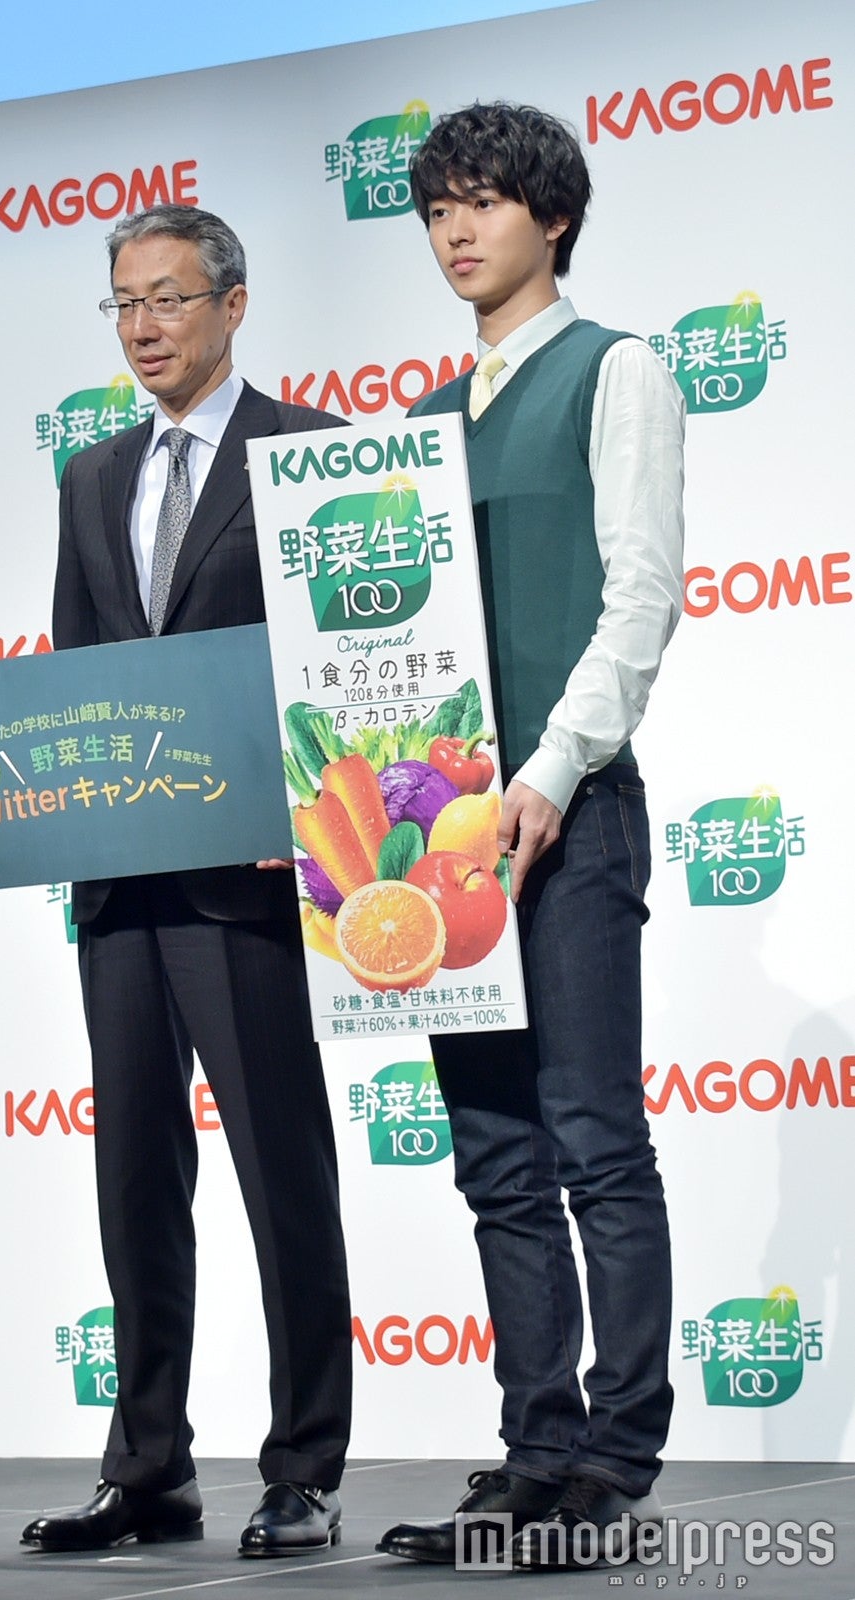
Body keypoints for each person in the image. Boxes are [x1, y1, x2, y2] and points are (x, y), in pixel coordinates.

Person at [0, 204, 351, 1557]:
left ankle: (304, 1466)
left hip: (246, 883)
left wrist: (313, 813)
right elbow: (75, 685)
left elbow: (348, 669)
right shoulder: (91, 477)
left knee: (281, 1174)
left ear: (232, 304)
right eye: (124, 305)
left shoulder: (311, 456)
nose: (144, 328)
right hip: (119, 889)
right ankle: (149, 1467)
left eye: (167, 299)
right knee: (134, 1180)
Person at [375, 103, 685, 1571]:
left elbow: (641, 596)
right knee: (495, 1156)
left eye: (485, 202)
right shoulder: (426, 418)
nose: (456, 230)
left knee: (593, 1142)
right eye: (438, 207)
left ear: (551, 217)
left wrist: (553, 770)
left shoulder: (614, 370)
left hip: (571, 814)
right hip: (444, 839)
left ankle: (615, 1459)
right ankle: (534, 1451)